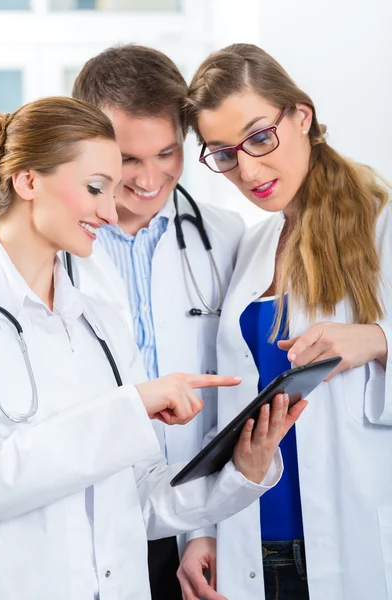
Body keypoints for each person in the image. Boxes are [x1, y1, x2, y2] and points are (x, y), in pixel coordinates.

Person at [0, 96, 308, 600]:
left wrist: (240, 474)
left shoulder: (99, 319)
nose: (108, 211)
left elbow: (137, 500)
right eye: (96, 188)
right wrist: (130, 408)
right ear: (28, 181)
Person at [178, 44, 392, 600]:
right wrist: (203, 528)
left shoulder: (382, 226)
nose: (247, 170)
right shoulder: (254, 245)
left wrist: (377, 339)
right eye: (223, 153)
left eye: (259, 137)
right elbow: (227, 410)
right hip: (249, 550)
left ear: (302, 115)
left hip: (354, 542)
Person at [68, 45, 245, 600]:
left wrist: (204, 526)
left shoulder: (225, 236)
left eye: (167, 152)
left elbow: (228, 394)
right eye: (127, 159)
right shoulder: (55, 248)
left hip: (193, 519)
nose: (149, 178)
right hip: (86, 519)